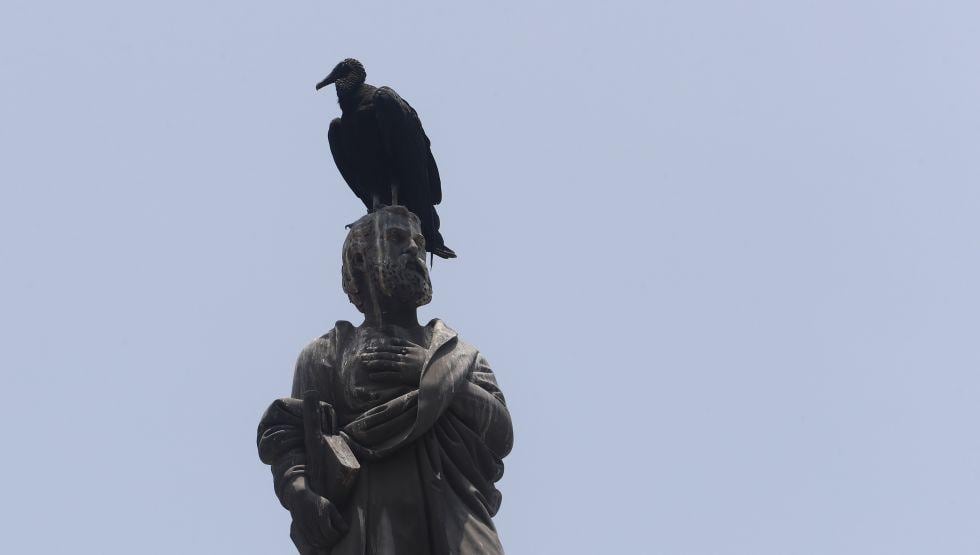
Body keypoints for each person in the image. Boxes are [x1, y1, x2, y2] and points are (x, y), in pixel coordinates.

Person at [258, 206, 513, 554]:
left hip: (454, 521)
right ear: (360, 259)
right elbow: (290, 436)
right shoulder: (326, 354)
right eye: (396, 238)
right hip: (367, 526)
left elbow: (499, 432)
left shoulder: (456, 355)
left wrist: (428, 372)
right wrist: (299, 492)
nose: (413, 249)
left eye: (419, 242)